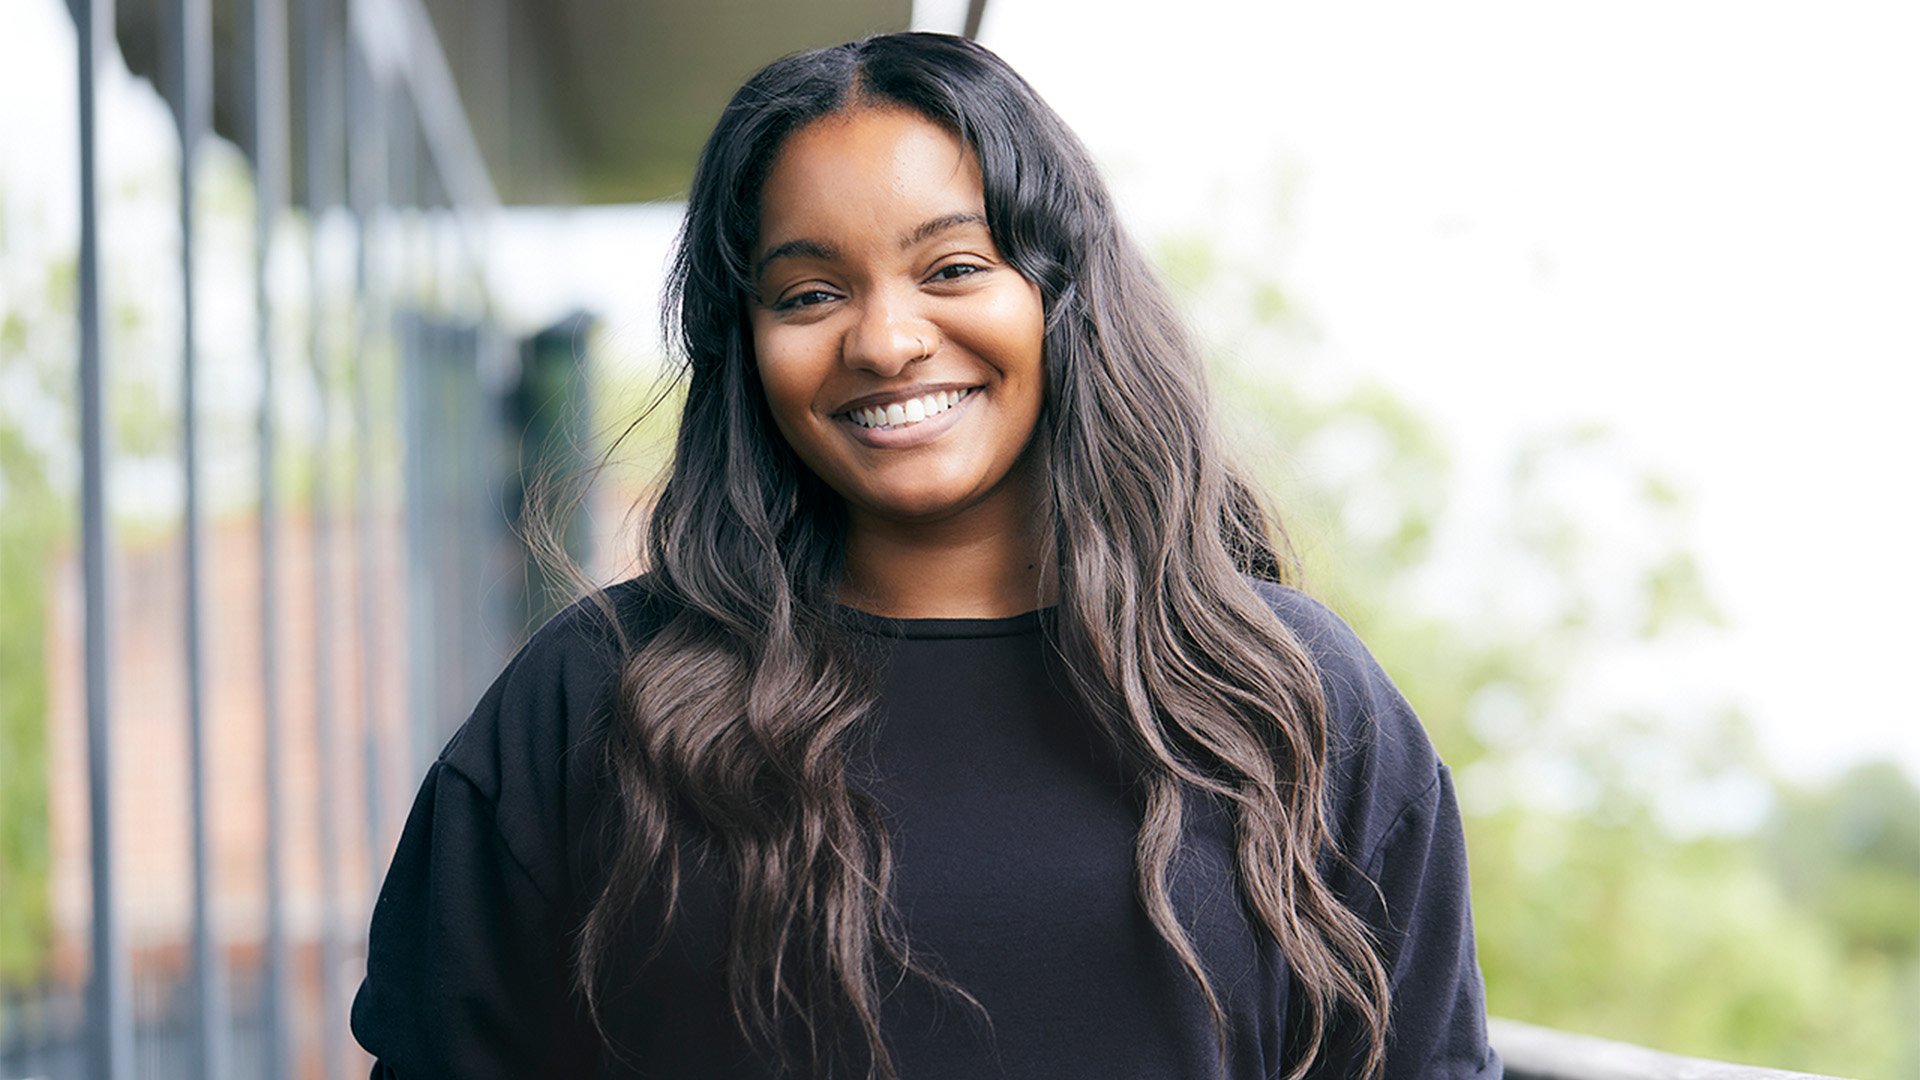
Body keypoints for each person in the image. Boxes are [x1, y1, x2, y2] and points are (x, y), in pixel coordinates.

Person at [351, 31, 1499, 1080]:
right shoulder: (595, 699)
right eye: (808, 292)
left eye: (952, 268)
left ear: (1060, 295)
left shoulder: (1289, 698)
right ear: (746, 346)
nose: (886, 341)